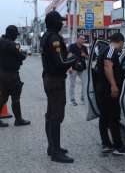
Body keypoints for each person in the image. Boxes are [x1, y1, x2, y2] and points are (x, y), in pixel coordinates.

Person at [40, 11, 77, 163]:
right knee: (56, 116)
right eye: (60, 22)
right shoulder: (53, 37)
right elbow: (60, 62)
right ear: (55, 23)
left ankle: (53, 147)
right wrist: (75, 59)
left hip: (49, 78)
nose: (62, 24)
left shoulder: (46, 36)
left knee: (50, 114)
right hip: (55, 80)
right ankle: (56, 153)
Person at [96, 33, 125, 155]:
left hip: (102, 89)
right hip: (108, 90)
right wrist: (113, 85)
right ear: (120, 41)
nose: (122, 47)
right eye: (123, 44)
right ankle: (118, 147)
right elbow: (108, 66)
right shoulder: (111, 49)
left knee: (104, 117)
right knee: (113, 117)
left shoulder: (105, 49)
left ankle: (106, 144)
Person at [0, 25, 31, 128]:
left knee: (3, 97)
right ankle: (18, 120)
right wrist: (24, 54)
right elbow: (21, 56)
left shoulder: (1, 41)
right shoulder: (13, 44)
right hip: (11, 74)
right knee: (15, 97)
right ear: (12, 34)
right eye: (15, 34)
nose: (16, 37)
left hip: (2, 73)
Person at [68, 35, 88, 106]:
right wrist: (69, 67)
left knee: (85, 83)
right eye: (81, 39)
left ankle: (82, 99)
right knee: (72, 84)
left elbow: (87, 57)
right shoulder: (72, 46)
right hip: (73, 68)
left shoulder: (84, 48)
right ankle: (72, 100)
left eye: (83, 39)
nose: (82, 40)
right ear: (77, 39)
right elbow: (69, 56)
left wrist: (84, 55)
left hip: (82, 68)